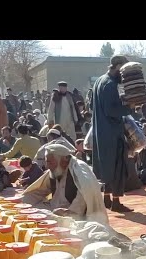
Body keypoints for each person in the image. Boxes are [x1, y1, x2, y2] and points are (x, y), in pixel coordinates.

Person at [90, 55, 135, 212]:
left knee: (106, 167)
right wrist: (129, 107)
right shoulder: (109, 85)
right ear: (117, 67)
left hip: (100, 132)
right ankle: (115, 202)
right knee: (117, 167)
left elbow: (92, 106)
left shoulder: (99, 81)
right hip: (112, 133)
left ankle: (107, 199)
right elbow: (112, 110)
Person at [22, 143, 108, 224]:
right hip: (55, 209)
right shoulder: (55, 170)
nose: (47, 166)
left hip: (74, 215)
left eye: (50, 162)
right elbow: (39, 191)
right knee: (31, 211)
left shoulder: (79, 169)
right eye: (46, 162)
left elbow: (86, 192)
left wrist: (70, 211)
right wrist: (22, 201)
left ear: (64, 160)